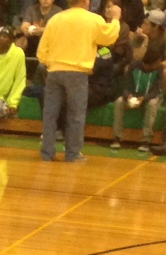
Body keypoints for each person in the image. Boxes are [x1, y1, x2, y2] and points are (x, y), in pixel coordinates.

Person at [37, 0, 122, 161]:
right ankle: (72, 154)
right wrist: (116, 19)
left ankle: (47, 153)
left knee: (50, 114)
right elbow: (109, 38)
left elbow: (41, 52)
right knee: (75, 114)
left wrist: (54, 63)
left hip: (54, 72)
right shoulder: (92, 19)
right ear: (85, 1)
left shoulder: (55, 19)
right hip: (77, 73)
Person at [111, 9, 166, 144]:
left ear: (156, 27)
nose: (143, 26)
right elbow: (135, 58)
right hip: (140, 67)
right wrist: (144, 41)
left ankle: (159, 97)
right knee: (128, 68)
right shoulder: (139, 35)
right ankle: (117, 137)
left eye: (146, 24)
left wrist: (156, 66)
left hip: (156, 69)